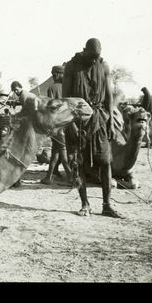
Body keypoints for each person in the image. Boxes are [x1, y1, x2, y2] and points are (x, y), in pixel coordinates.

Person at [62, 38, 124, 218]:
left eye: (96, 58)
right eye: (90, 57)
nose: (93, 61)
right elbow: (66, 98)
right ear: (84, 51)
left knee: (105, 162)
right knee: (78, 163)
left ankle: (107, 205)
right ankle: (85, 204)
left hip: (99, 119)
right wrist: (70, 123)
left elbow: (109, 95)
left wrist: (111, 120)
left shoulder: (103, 66)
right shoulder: (72, 66)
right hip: (77, 119)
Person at [41, 65, 70, 185]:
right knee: (55, 152)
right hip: (66, 123)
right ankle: (48, 177)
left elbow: (50, 109)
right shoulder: (68, 88)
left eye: (54, 74)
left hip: (57, 125)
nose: (53, 76)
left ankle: (70, 177)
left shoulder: (52, 88)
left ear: (57, 74)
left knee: (61, 152)